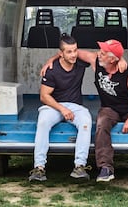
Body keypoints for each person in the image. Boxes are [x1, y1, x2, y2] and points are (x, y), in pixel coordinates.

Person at [41, 39, 128, 186]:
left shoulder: (127, 74)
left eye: (103, 53)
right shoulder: (96, 61)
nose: (99, 54)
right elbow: (71, 53)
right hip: (110, 108)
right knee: (102, 125)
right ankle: (105, 169)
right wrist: (50, 61)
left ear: (112, 59)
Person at [29, 34, 92, 181]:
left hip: (75, 105)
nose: (73, 55)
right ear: (61, 54)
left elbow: (97, 56)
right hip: (53, 105)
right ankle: (39, 168)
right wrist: (62, 109)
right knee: (43, 122)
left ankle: (80, 166)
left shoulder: (80, 63)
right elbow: (44, 96)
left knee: (85, 122)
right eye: (69, 52)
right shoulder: (52, 70)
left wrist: (120, 59)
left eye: (75, 50)